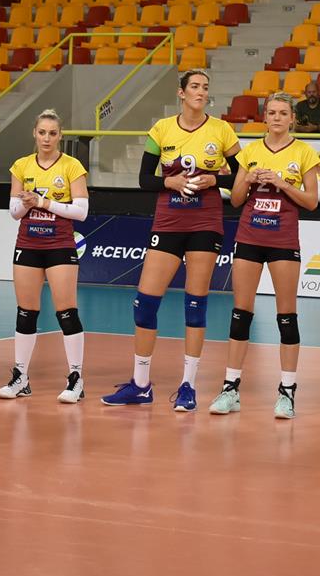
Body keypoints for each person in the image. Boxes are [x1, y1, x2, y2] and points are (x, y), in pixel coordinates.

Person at [103, 69, 241, 410]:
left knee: (195, 303)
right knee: (144, 303)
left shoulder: (221, 130)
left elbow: (241, 177)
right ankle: (140, 385)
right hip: (168, 222)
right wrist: (170, 182)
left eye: (205, 87)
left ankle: (188, 386)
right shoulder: (161, 129)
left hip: (205, 223)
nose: (200, 92)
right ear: (181, 93)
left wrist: (215, 180)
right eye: (194, 86)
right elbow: (143, 179)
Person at [210, 93, 319, 418]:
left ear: (292, 118)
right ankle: (230, 387)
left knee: (286, 315)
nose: (276, 118)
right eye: (271, 112)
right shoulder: (251, 151)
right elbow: (236, 200)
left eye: (283, 113)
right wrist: (247, 179)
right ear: (265, 117)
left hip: (283, 239)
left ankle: (287, 391)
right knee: (240, 313)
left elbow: (312, 201)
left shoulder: (304, 152)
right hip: (249, 237)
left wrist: (283, 184)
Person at [6, 109, 90, 403]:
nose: (46, 138)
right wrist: (26, 203)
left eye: (52, 133)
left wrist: (42, 201)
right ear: (35, 133)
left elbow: (81, 211)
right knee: (25, 312)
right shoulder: (21, 165)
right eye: (42, 132)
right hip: (28, 244)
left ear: (60, 136)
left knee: (66, 311)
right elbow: (14, 212)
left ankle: (76, 378)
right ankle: (21, 377)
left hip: (59, 245)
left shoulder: (72, 166)